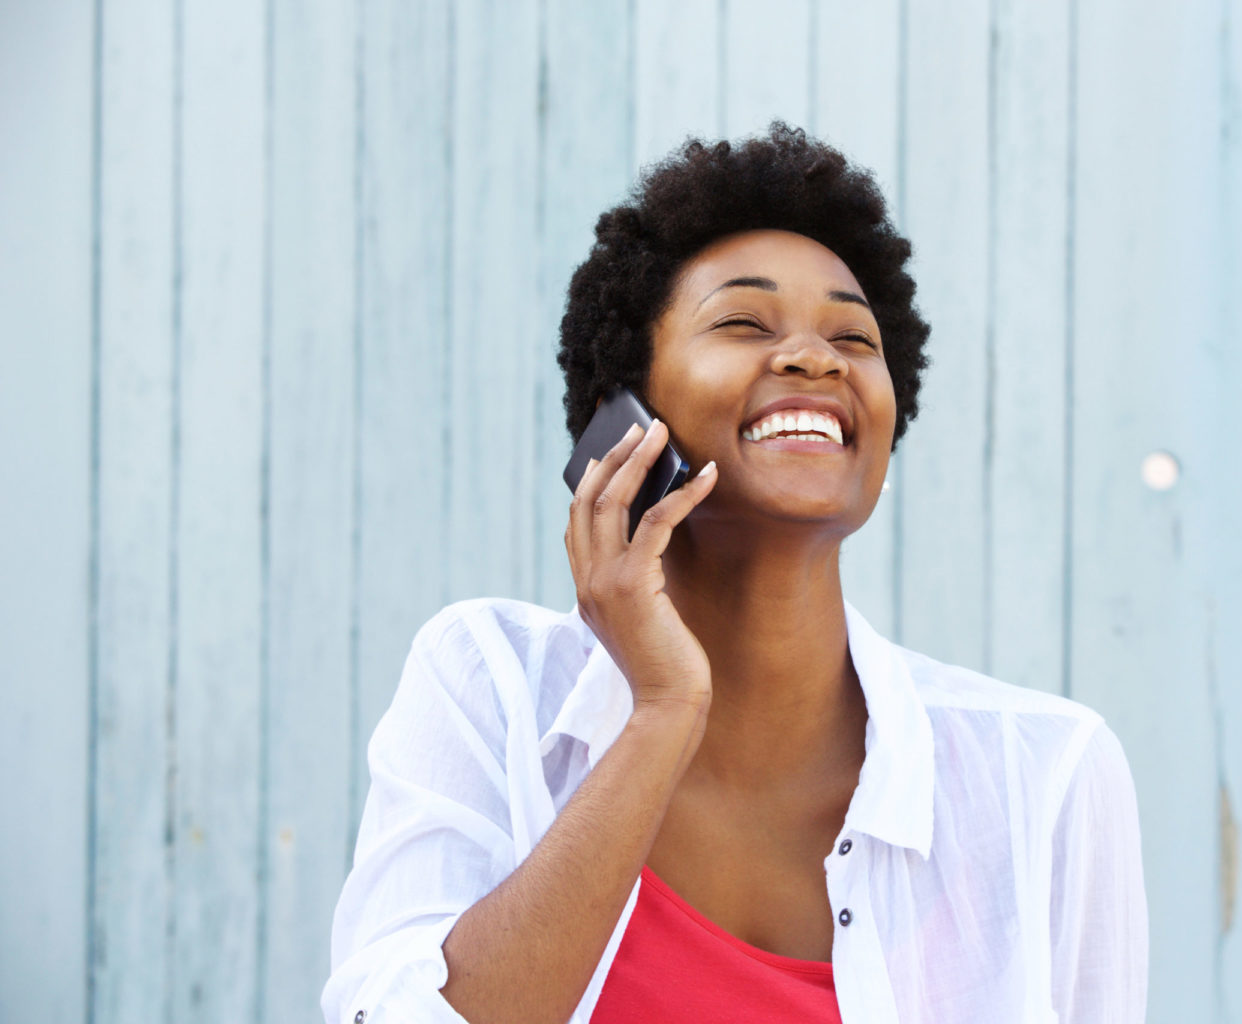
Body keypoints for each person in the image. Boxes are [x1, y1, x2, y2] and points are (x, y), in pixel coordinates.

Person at [322, 122, 1147, 1024]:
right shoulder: (493, 686)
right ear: (623, 420)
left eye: (856, 339)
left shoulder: (1041, 776)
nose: (815, 358)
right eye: (744, 322)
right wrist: (664, 710)